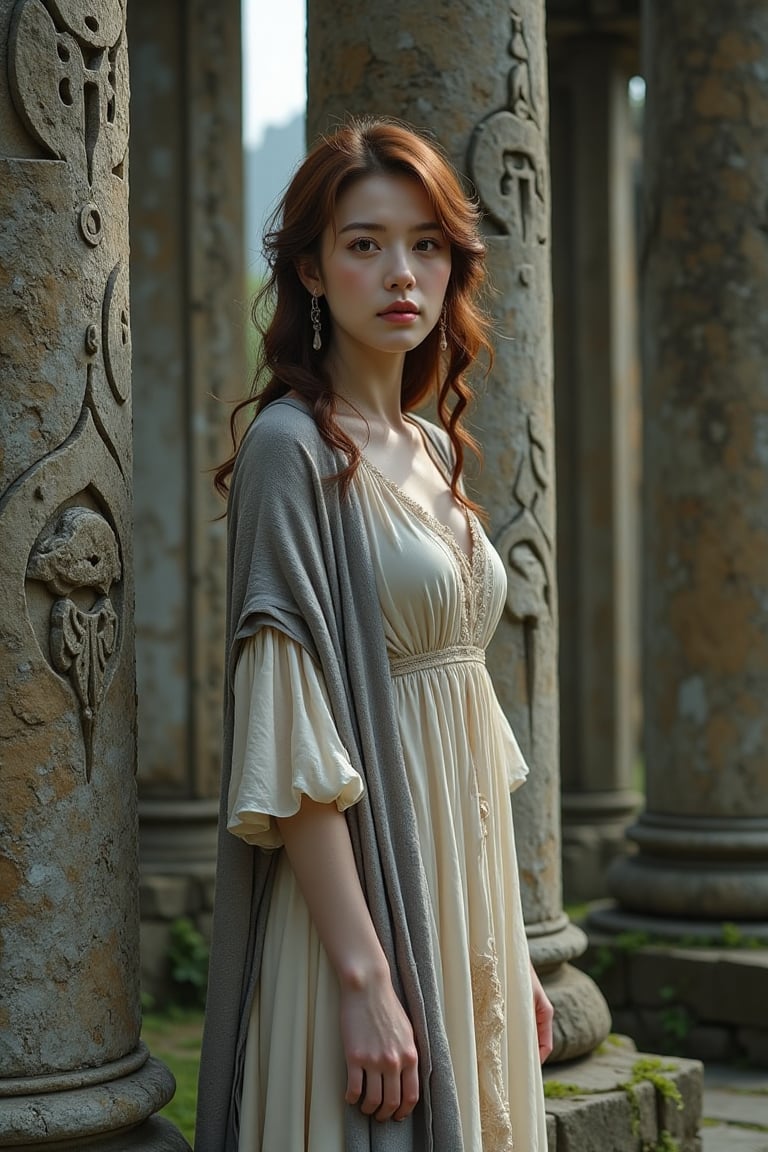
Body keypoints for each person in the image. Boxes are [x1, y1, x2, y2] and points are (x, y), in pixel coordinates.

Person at [195, 117, 553, 1152]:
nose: (402, 271)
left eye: (427, 244)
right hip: (360, 900)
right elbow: (288, 740)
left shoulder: (435, 449)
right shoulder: (288, 450)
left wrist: (511, 938)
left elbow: (471, 714)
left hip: (463, 887)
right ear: (311, 270)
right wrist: (363, 978)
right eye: (364, 244)